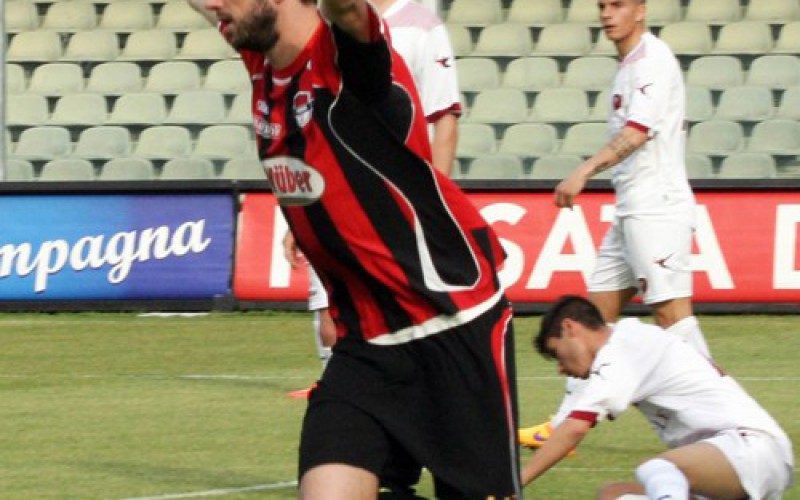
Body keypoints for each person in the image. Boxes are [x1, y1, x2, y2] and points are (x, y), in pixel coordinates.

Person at [188, 0, 521, 498]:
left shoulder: (347, 59)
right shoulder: (263, 61)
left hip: (452, 327)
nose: (212, 5)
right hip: (365, 348)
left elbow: (344, 7)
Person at [519, 0, 711, 448]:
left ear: (640, 10)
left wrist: (584, 170)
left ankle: (718, 414)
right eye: (602, 5)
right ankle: (563, 422)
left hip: (657, 207)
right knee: (593, 317)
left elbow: (638, 131)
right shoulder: (628, 64)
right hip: (630, 208)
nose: (607, 14)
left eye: (618, 5)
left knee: (672, 316)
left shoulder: (653, 59)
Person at [283, 0, 462, 398]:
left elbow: (444, 118)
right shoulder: (320, 23)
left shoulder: (421, 26)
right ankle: (344, 401)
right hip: (333, 197)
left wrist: (435, 204)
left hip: (396, 202)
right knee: (329, 320)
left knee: (408, 316)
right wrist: (301, 208)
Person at [522, 295, 794, 499]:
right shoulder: (629, 339)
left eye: (557, 354)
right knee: (615, 495)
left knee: (657, 468)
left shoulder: (622, 349)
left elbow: (575, 428)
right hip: (728, 461)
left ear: (570, 328)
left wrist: (514, 484)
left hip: (752, 448)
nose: (561, 368)